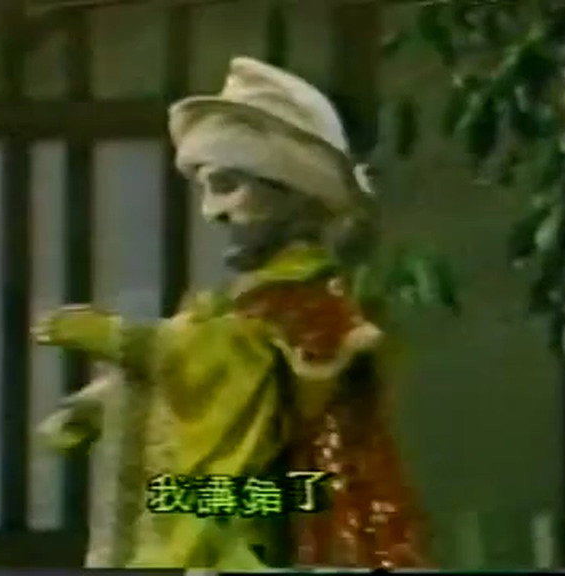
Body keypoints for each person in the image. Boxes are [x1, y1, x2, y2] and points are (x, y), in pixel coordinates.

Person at [33, 56, 429, 570]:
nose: (211, 211)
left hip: (300, 509)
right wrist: (108, 399)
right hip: (269, 506)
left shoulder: (309, 299)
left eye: (226, 186)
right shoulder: (252, 297)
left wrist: (125, 339)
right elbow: (207, 360)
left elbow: (232, 361)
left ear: (291, 194)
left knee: (187, 521)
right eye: (205, 189)